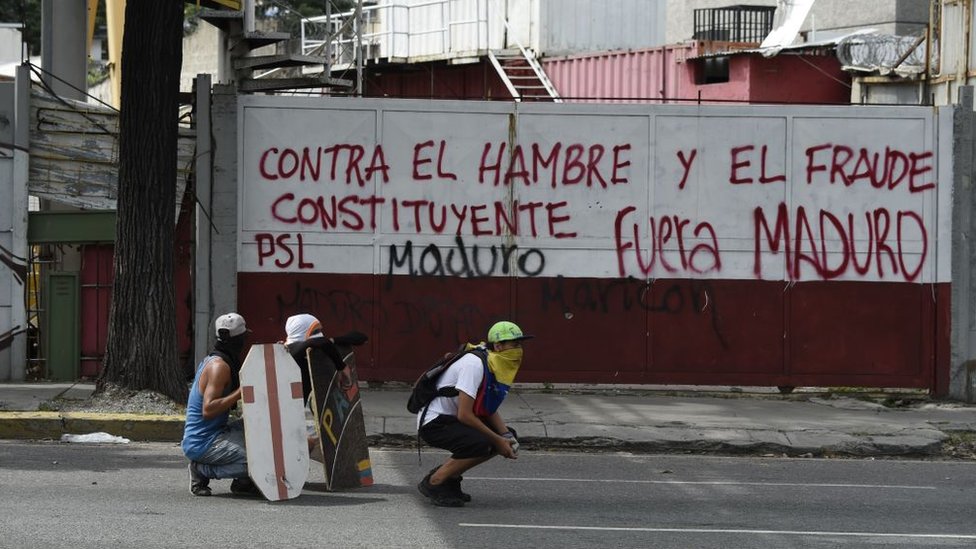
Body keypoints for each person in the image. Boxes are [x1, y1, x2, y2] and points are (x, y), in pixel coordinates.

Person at [416, 320, 533, 507]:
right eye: (514, 345)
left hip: (452, 421)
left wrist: (506, 436)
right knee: (484, 442)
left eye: (520, 345)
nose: (519, 350)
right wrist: (497, 440)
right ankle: (435, 481)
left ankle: (450, 478)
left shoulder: (491, 363)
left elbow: (486, 408)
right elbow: (465, 414)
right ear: (498, 345)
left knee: (505, 437)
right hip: (435, 423)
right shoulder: (475, 365)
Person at [181, 313, 259, 497]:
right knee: (259, 461)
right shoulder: (219, 367)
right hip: (203, 442)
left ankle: (243, 483)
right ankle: (201, 469)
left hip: (218, 431)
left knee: (261, 431)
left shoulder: (221, 360)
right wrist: (240, 392)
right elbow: (208, 410)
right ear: (238, 340)